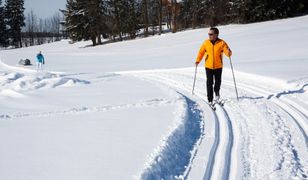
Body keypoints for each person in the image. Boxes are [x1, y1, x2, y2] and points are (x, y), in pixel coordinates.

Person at [195, 27, 232, 105]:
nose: (209, 35)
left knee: (218, 82)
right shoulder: (206, 43)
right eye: (209, 34)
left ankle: (217, 92)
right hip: (208, 66)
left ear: (216, 34)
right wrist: (198, 60)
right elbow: (201, 52)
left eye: (211, 34)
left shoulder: (222, 43)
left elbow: (226, 51)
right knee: (209, 82)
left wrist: (228, 52)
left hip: (218, 66)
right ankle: (210, 99)